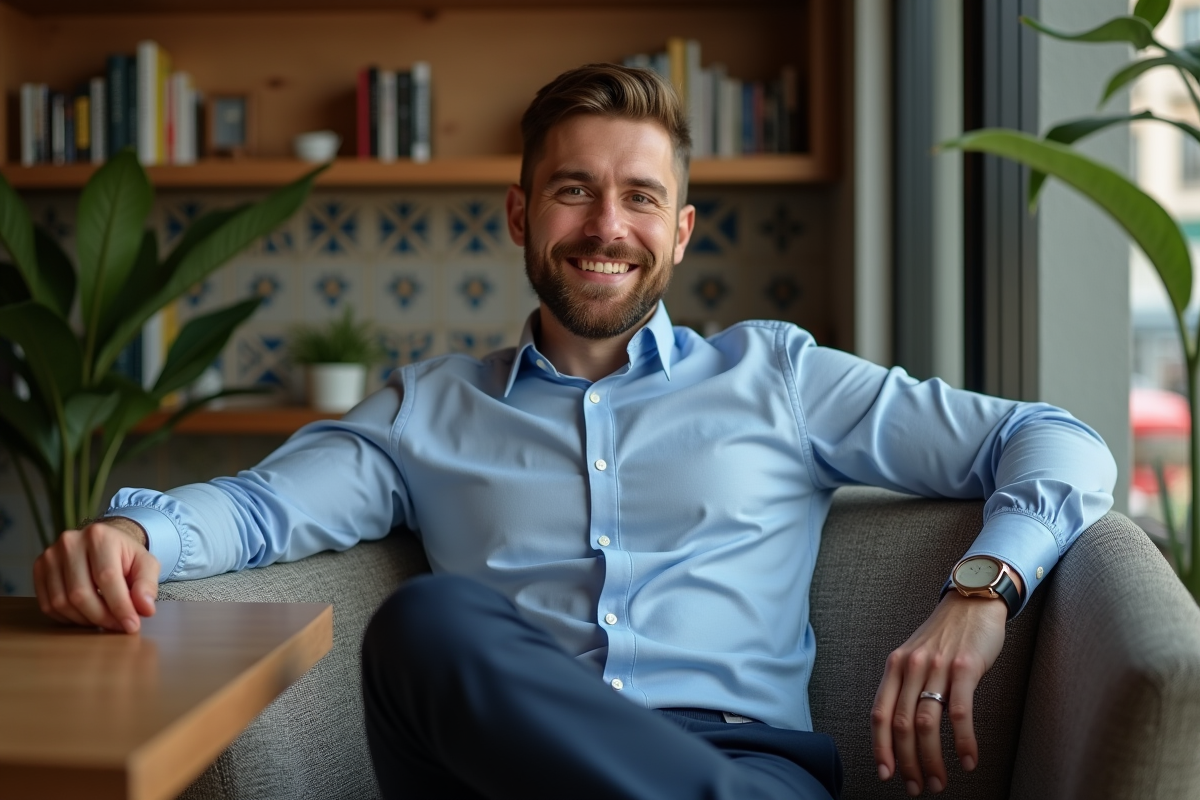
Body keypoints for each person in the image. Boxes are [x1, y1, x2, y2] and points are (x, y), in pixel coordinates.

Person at [33, 64, 1116, 800]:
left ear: (681, 232)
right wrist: (137, 538)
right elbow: (266, 505)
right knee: (426, 624)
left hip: (748, 767)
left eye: (640, 197)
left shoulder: (778, 375)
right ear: (520, 215)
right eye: (572, 191)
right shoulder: (429, 406)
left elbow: (1052, 437)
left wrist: (983, 588)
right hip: (508, 772)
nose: (607, 225)